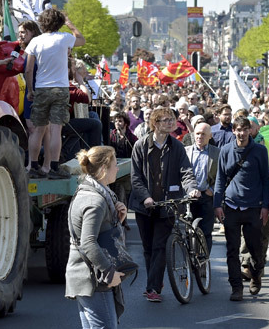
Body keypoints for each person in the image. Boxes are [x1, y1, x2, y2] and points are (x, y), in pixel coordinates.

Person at [129, 107, 200, 302]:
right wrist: (145, 197)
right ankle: (156, 280)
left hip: (168, 204)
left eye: (172, 120)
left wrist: (191, 187)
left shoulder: (176, 147)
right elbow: (135, 179)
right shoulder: (141, 146)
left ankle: (152, 288)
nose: (171, 123)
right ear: (155, 124)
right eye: (166, 120)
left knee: (160, 245)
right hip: (144, 206)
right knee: (148, 248)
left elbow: (186, 171)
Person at [66, 146, 128, 329]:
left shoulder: (89, 191)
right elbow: (88, 242)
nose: (117, 168)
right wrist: (110, 273)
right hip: (93, 279)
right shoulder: (96, 201)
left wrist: (117, 219)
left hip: (88, 276)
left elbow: (97, 233)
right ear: (103, 170)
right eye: (115, 165)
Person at [214, 116, 269, 301]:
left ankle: (256, 274)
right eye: (238, 129)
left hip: (254, 207)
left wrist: (266, 207)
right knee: (232, 250)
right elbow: (220, 179)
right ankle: (236, 287)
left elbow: (266, 180)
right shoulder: (225, 150)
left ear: (250, 130)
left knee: (255, 248)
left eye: (245, 129)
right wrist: (217, 204)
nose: (241, 133)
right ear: (233, 131)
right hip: (231, 206)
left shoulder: (260, 151)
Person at [25, 9, 85, 179]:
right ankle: (53, 168)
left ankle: (33, 166)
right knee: (56, 130)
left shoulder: (35, 41)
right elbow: (82, 40)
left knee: (38, 130)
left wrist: (30, 90)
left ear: (42, 23)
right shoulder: (65, 38)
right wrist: (70, 23)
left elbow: (28, 69)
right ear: (59, 23)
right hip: (60, 88)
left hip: (41, 88)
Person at [184, 123, 218, 252]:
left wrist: (212, 190)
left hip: (207, 196)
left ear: (210, 136)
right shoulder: (185, 151)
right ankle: (190, 261)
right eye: (197, 133)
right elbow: (180, 173)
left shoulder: (217, 152)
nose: (200, 136)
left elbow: (223, 175)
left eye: (203, 134)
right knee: (188, 232)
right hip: (189, 197)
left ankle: (203, 262)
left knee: (206, 232)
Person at [62, 59, 103, 161]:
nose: (74, 71)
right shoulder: (66, 84)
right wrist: (80, 81)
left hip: (64, 120)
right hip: (61, 123)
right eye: (73, 68)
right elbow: (87, 98)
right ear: (67, 70)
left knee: (91, 117)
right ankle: (95, 158)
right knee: (95, 124)